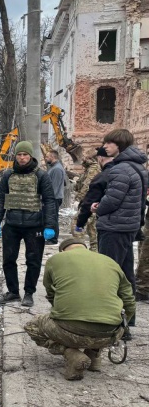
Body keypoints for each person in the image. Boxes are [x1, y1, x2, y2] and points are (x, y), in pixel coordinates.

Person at [24, 237, 134, 380]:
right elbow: (130, 301)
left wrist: (65, 312)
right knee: (100, 313)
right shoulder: (110, 262)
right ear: (85, 248)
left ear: (63, 250)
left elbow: (51, 294)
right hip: (110, 334)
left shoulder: (56, 260)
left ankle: (70, 353)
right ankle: (94, 355)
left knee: (32, 325)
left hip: (70, 331)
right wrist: (123, 328)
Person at [92, 129, 148, 329]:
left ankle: (110, 320)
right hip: (128, 226)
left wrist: (97, 207)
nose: (105, 146)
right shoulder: (138, 166)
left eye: (109, 143)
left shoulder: (120, 169)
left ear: (119, 145)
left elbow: (112, 200)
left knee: (109, 274)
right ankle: (128, 318)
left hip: (114, 227)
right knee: (125, 274)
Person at [0, 141, 58, 308]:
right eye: (19, 155)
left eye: (25, 155)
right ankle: (13, 292)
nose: (22, 158)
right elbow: (1, 199)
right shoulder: (8, 175)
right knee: (8, 260)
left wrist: (50, 225)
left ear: (30, 156)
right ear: (16, 156)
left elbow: (50, 201)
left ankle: (29, 293)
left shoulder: (41, 175)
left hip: (34, 225)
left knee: (33, 260)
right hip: (12, 224)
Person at [74, 147, 109, 253]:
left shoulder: (93, 169)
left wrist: (80, 200)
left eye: (85, 156)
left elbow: (87, 187)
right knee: (92, 235)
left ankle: (84, 254)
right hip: (90, 204)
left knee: (90, 235)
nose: (83, 158)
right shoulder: (90, 168)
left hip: (90, 205)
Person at [44, 148, 65, 245]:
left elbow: (54, 186)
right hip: (52, 198)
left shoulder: (56, 169)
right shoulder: (54, 167)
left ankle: (53, 239)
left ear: (53, 157)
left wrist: (49, 198)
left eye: (47, 156)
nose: (45, 158)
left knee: (52, 217)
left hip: (54, 198)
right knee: (50, 217)